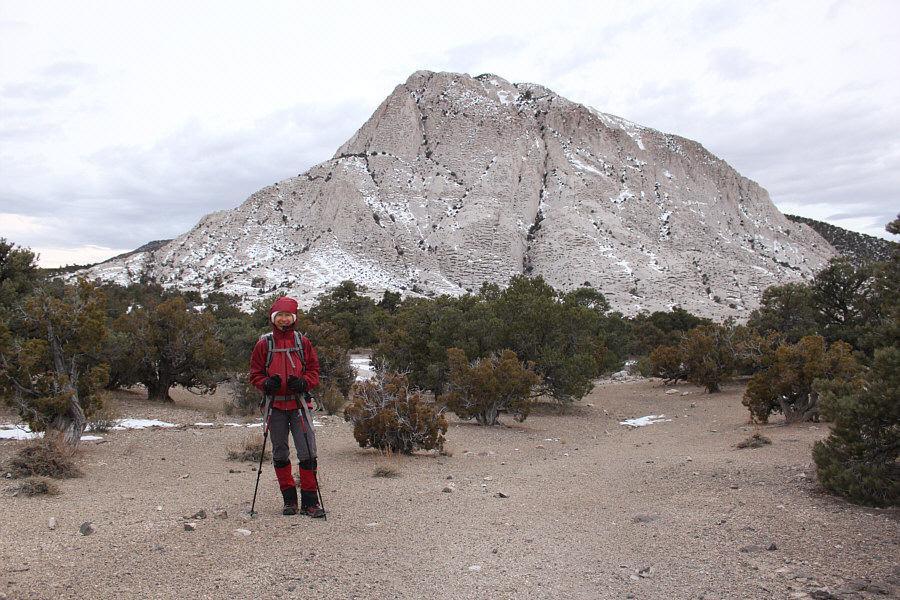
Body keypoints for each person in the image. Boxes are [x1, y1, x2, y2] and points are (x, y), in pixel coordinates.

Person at [249, 296, 326, 517]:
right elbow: (255, 373)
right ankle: (289, 501)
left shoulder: (302, 343)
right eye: (280, 315)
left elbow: (313, 371)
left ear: (294, 318)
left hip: (299, 405)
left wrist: (305, 383)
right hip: (275, 406)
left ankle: (310, 502)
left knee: (308, 453)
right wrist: (265, 383)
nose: (284, 319)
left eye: (287, 315)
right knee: (280, 453)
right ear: (273, 318)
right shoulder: (264, 344)